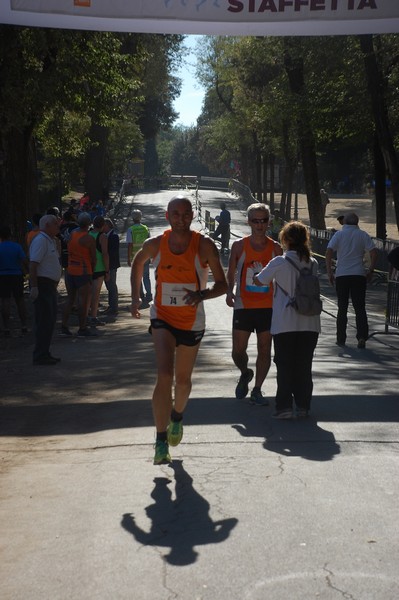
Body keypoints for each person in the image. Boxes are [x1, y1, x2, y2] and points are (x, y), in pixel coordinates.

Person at [130, 195, 228, 465]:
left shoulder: (204, 245)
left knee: (182, 382)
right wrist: (135, 298)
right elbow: (138, 263)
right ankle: (160, 441)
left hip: (191, 321)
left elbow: (223, 284)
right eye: (176, 214)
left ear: (192, 215)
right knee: (164, 374)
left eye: (186, 214)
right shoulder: (156, 244)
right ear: (167, 216)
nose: (181, 219)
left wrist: (201, 295)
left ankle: (177, 416)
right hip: (162, 316)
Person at [254, 221, 321, 419]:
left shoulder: (279, 262)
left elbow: (260, 280)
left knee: (284, 365)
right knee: (304, 365)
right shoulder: (313, 263)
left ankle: (283, 407)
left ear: (285, 240)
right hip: (310, 323)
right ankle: (303, 406)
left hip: (285, 323)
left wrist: (258, 272)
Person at [226, 203, 282, 405]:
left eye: (264, 220)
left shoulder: (276, 247)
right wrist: (229, 292)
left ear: (269, 221)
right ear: (248, 221)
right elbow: (231, 271)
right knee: (238, 351)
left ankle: (257, 389)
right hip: (244, 305)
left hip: (268, 306)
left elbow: (282, 276)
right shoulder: (239, 246)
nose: (260, 225)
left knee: (264, 348)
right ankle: (245, 372)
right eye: (256, 220)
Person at [325, 212, 378, 349]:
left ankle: (341, 337)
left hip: (342, 274)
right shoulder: (363, 235)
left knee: (342, 307)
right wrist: (370, 270)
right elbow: (373, 252)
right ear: (357, 222)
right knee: (360, 307)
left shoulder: (339, 235)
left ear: (345, 222)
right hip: (358, 275)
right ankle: (361, 336)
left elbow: (329, 251)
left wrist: (330, 272)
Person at [29, 215, 62, 364]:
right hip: (42, 285)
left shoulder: (49, 240)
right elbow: (33, 265)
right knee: (44, 320)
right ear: (47, 225)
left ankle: (45, 352)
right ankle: (40, 354)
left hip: (48, 285)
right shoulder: (41, 240)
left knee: (49, 320)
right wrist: (34, 286)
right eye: (55, 224)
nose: (58, 226)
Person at [61, 212, 96, 337]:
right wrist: (92, 273)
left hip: (70, 270)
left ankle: (64, 325)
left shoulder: (71, 235)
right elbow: (93, 258)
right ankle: (82, 328)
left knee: (70, 299)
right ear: (89, 224)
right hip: (83, 271)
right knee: (83, 300)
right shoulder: (89, 238)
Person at [0, 225, 28, 337]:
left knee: (5, 301)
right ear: (10, 235)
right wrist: (29, 270)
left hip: (2, 276)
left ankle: (6, 327)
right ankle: (24, 325)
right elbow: (24, 260)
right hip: (16, 275)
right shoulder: (17, 247)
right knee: (20, 300)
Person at [127, 209, 152, 304]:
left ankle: (141, 295)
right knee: (146, 276)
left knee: (138, 277)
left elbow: (130, 245)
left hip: (136, 257)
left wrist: (129, 258)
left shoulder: (131, 230)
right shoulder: (145, 228)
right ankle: (149, 294)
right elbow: (149, 242)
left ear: (132, 218)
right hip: (145, 255)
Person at [88, 216, 110, 326]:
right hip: (99, 268)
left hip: (88, 267)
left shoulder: (88, 234)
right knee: (96, 294)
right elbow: (105, 254)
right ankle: (93, 316)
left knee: (88, 293)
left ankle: (86, 315)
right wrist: (107, 270)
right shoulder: (103, 236)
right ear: (103, 225)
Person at [102, 217, 120, 316]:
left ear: (108, 225)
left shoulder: (113, 236)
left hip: (111, 265)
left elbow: (111, 253)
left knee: (112, 286)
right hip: (109, 265)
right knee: (109, 286)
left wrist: (107, 267)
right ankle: (111, 306)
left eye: (103, 225)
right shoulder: (107, 235)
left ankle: (114, 307)